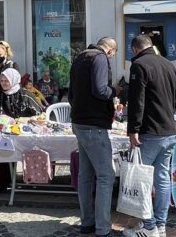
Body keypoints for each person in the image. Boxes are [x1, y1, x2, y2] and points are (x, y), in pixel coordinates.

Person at [123, 35, 176, 237]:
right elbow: (175, 98)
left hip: (150, 131)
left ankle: (149, 227)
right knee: (163, 178)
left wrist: (133, 129)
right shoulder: (168, 64)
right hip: (169, 130)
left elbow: (137, 100)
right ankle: (160, 225)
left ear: (135, 49)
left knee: (142, 180)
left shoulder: (139, 64)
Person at [69, 37, 118, 237]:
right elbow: (100, 89)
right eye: (113, 55)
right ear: (111, 51)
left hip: (79, 121)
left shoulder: (80, 57)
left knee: (86, 175)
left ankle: (87, 223)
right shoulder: (99, 58)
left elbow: (71, 93)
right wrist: (114, 91)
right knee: (106, 176)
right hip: (94, 124)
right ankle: (103, 228)